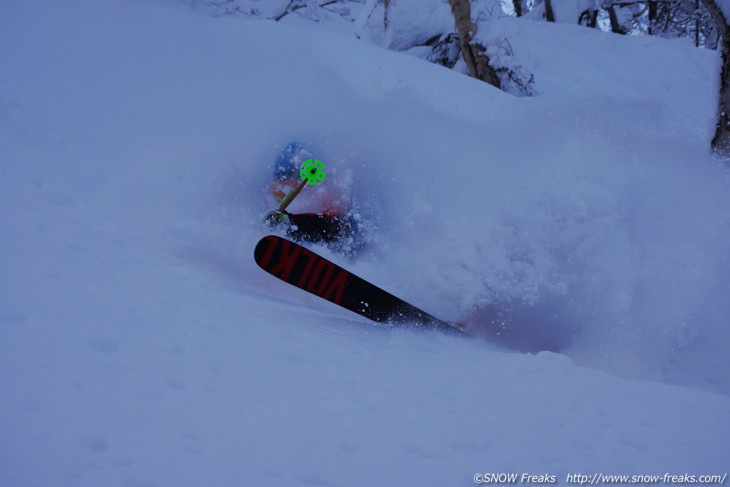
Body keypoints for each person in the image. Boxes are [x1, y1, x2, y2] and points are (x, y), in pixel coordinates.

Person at [264, 142, 361, 252]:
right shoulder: (273, 195)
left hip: (341, 242)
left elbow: (339, 229)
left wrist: (290, 224)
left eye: (290, 180)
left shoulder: (329, 192)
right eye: (279, 181)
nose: (282, 190)